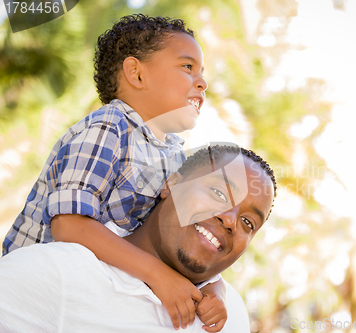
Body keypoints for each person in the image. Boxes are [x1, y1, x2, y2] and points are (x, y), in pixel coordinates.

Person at [1, 14, 227, 330]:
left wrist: (215, 288)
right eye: (187, 67)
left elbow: (180, 234)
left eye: (202, 72)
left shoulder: (175, 154)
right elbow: (70, 225)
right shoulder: (108, 128)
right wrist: (157, 274)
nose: (202, 82)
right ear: (136, 73)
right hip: (36, 296)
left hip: (93, 293)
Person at [0, 145, 277, 333]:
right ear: (172, 184)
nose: (230, 220)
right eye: (218, 193)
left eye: (248, 222)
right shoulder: (54, 275)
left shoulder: (232, 315)